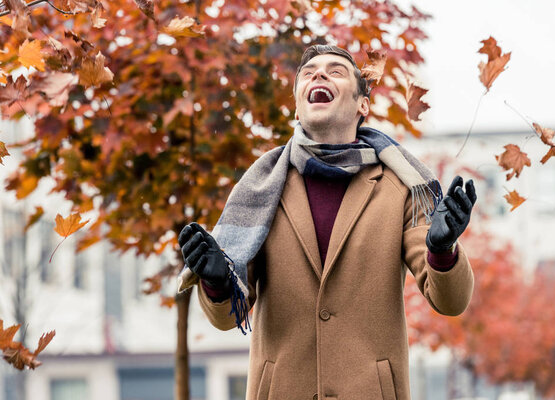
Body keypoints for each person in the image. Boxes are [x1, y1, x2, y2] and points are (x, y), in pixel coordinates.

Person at [178, 45, 476, 400]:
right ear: (298, 104)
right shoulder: (260, 189)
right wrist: (215, 281)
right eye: (308, 72)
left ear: (362, 105)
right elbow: (228, 317)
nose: (318, 75)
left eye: (335, 71)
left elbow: (451, 302)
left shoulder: (400, 186)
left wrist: (443, 252)